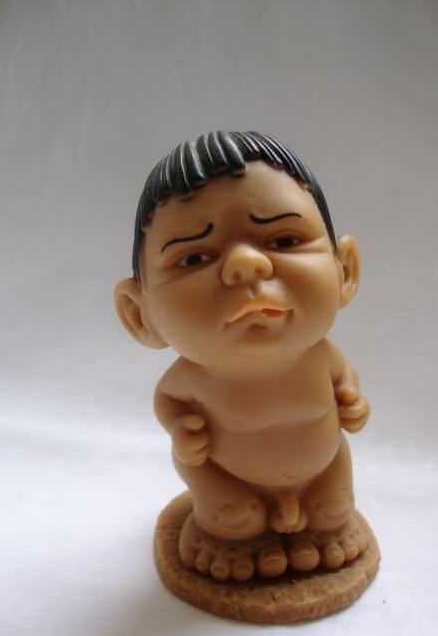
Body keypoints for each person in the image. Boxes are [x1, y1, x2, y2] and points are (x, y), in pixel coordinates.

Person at [115, 131, 370, 582]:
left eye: (284, 241)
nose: (246, 266)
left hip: (322, 470)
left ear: (343, 270)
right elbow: (169, 402)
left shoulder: (322, 357)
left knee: (332, 507)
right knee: (234, 517)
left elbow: (342, 379)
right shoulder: (192, 379)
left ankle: (325, 524)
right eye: (194, 258)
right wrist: (180, 430)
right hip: (229, 478)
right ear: (141, 315)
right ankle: (229, 534)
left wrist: (351, 398)